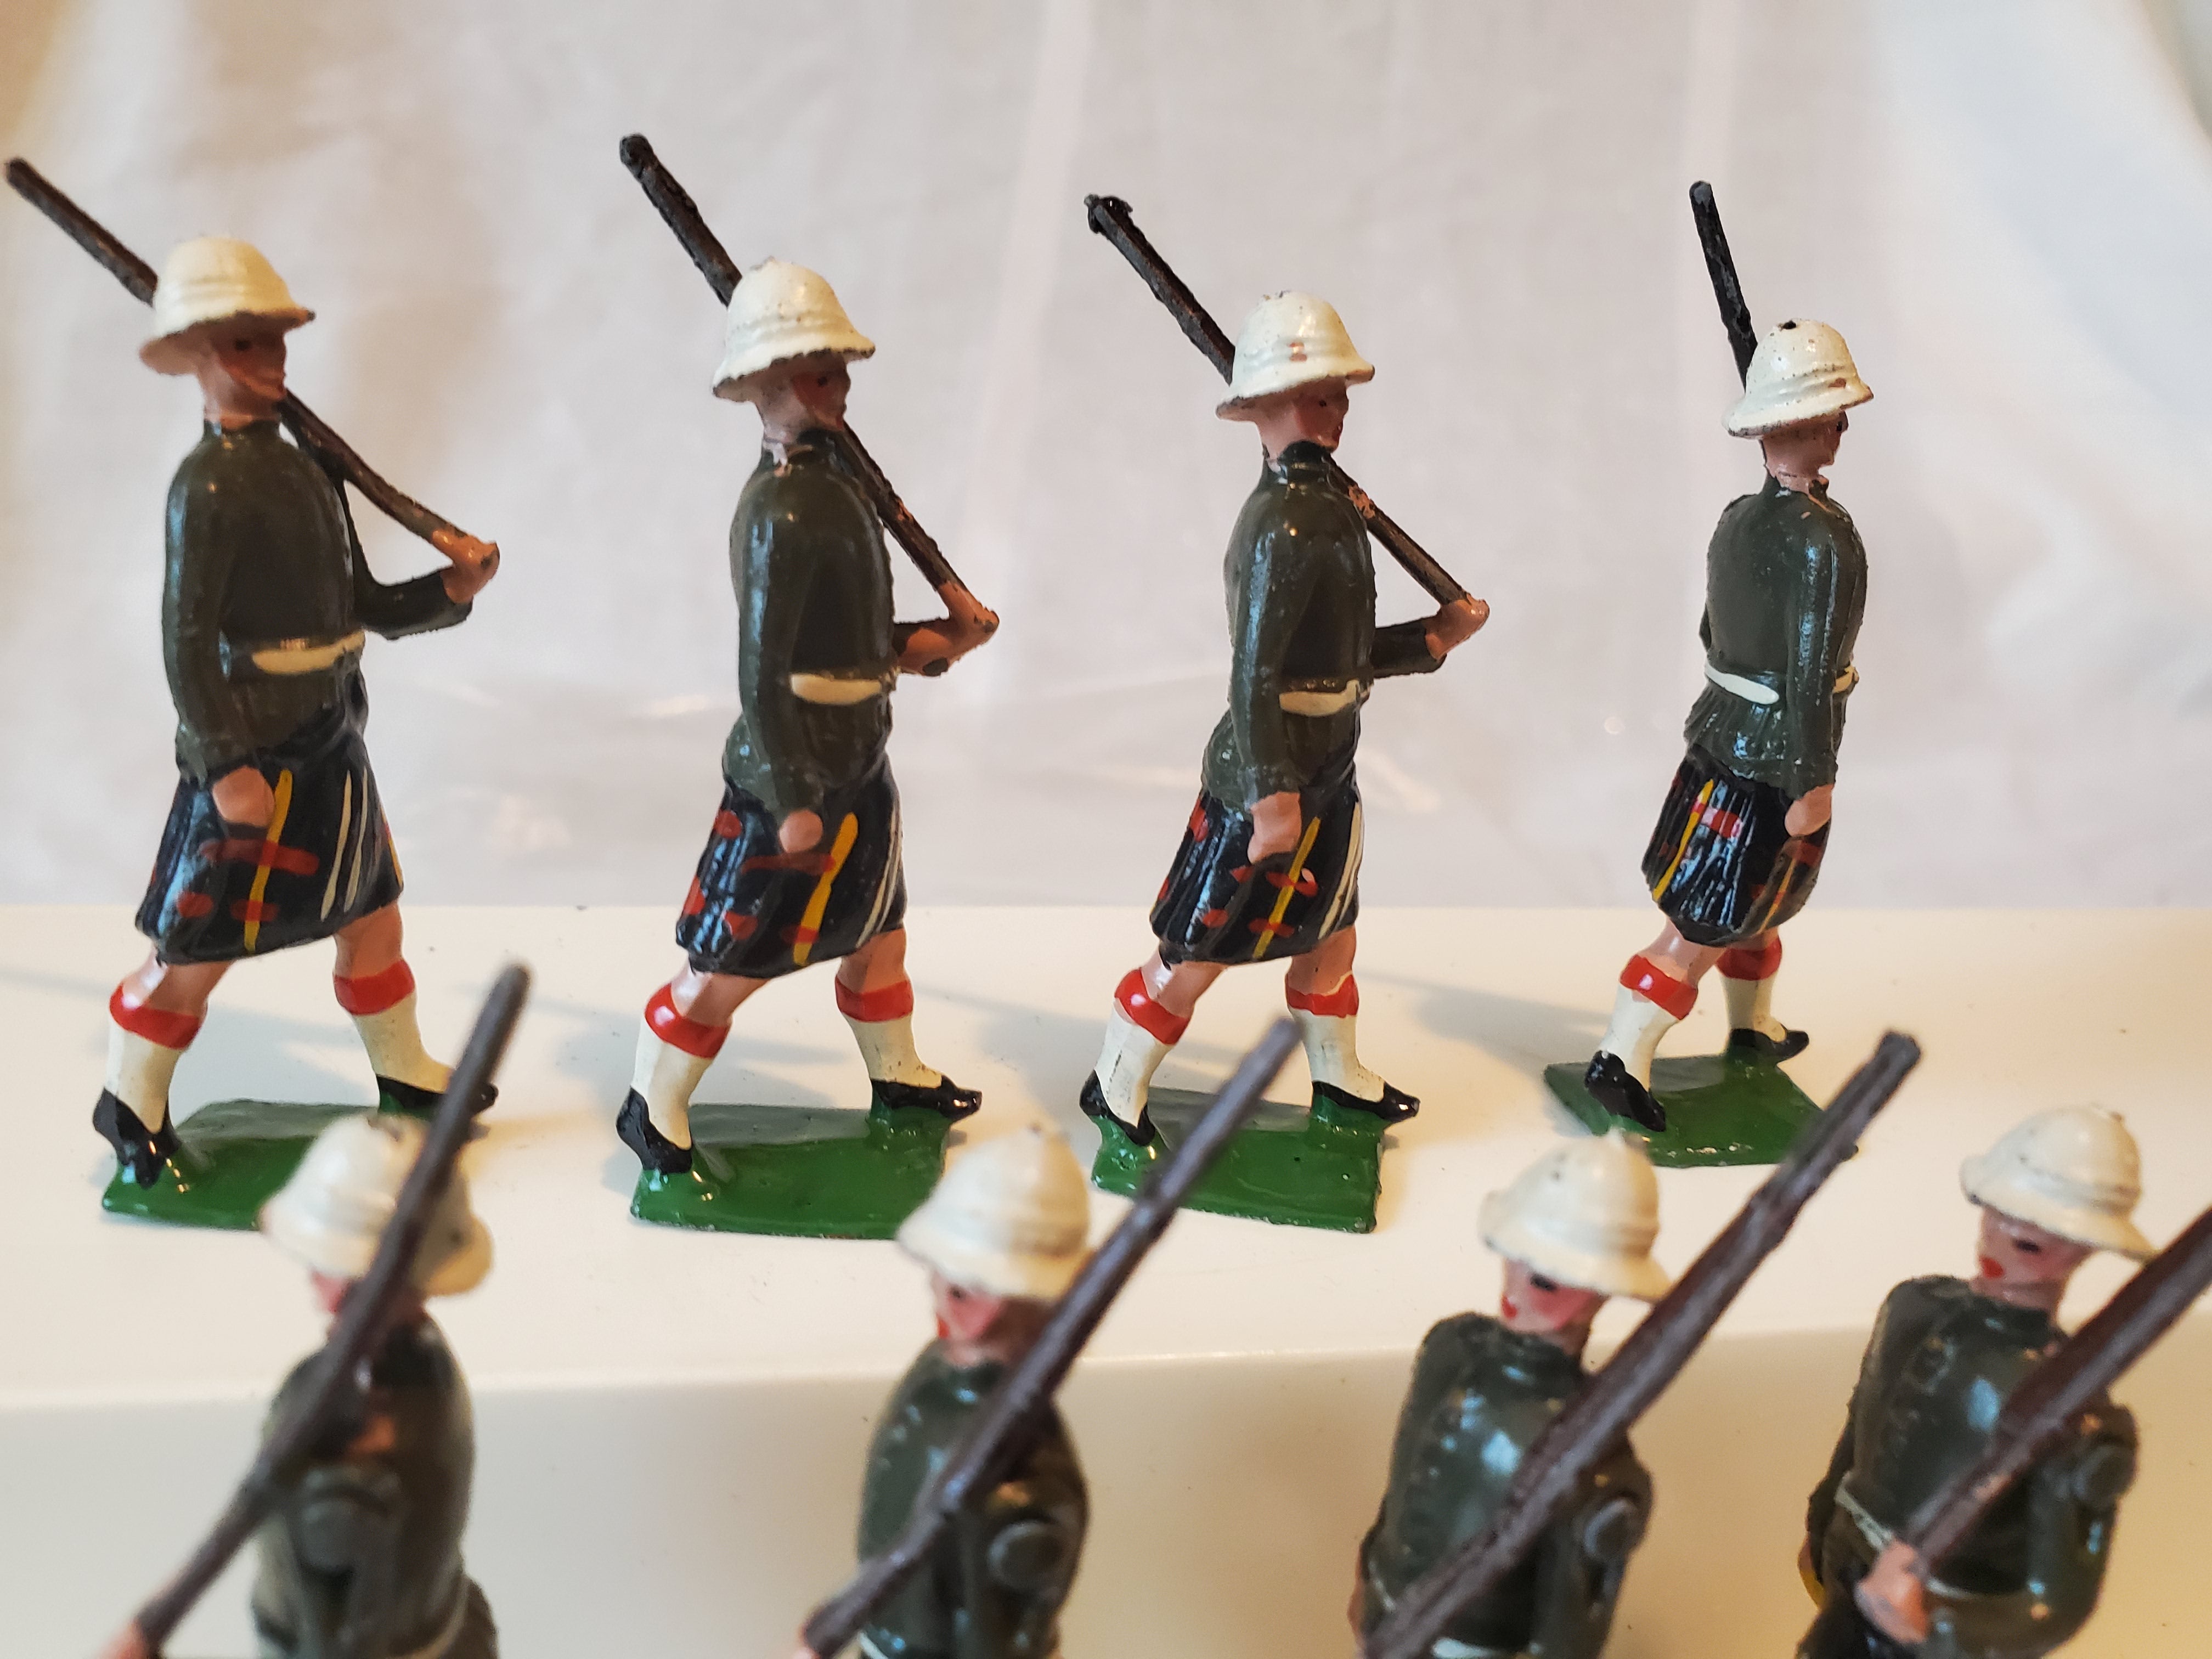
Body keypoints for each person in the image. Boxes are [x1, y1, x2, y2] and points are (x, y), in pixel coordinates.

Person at [96, 238, 500, 1188]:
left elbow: (368, 606)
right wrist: (224, 762)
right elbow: (186, 641)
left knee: (374, 916)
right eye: (246, 342)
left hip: (330, 743)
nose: (271, 358)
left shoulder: (312, 472)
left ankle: (405, 1072)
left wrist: (451, 589)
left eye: (274, 339)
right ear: (198, 355)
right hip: (254, 752)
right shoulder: (206, 487)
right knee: (195, 950)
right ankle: (129, 1099)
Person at [1080, 292, 1485, 1154]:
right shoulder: (1281, 525)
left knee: (1332, 937)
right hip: (1272, 777)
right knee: (1199, 949)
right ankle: (1116, 1081)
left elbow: (1338, 654)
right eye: (1314, 396)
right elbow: (1255, 675)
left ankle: (1339, 1075)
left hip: (1329, 767)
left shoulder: (1330, 509)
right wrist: (1270, 794)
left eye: (1338, 395)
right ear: (1264, 408)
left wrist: (1431, 638)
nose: (1334, 411)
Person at [618, 261, 996, 1176]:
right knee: (732, 958)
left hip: (858, 758)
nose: (841, 387)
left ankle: (897, 1075)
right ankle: (652, 1104)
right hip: (796, 770)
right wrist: (789, 793)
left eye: (839, 370)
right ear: (768, 383)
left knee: (878, 933)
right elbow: (763, 670)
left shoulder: (839, 485)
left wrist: (935, 642)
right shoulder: (782, 509)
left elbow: (853, 636)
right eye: (821, 373)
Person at [1582, 320, 1870, 1132]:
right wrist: (1813, 777)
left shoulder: (1737, 518)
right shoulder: (1825, 542)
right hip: (1777, 757)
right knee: (1703, 924)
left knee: (1757, 909)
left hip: (1719, 728)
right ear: (1792, 425)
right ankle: (1620, 1057)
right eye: (1829, 415)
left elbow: (1712, 630)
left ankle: (1751, 1027)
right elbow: (1810, 670)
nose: (1840, 428)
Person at [1803, 1107, 2152, 1658]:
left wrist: (1940, 1628)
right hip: (1847, 1584)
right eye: (1999, 1216)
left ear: (2086, 1248)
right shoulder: (1912, 1308)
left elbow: (2057, 1601)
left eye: (2034, 1243)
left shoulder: (2077, 1413)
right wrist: (1824, 1519)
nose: (2002, 1239)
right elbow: (1861, 1429)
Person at [1355, 1133, 1668, 1658]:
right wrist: (1370, 1576)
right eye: (1516, 1258)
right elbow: (1403, 1481)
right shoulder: (1450, 1347)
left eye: (1545, 1281)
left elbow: (1571, 1627)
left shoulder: (1591, 1447)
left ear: (1599, 1292)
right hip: (1387, 1612)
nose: (1517, 1288)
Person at [825, 1127, 1091, 1659]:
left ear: (977, 1302)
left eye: (954, 1285)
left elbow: (1008, 1623)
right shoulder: (937, 1378)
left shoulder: (1026, 1468)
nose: (932, 1286)